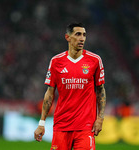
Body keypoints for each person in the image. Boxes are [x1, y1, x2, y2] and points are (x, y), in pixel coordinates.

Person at [34, 22, 106, 150]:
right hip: (61, 126)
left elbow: (101, 90)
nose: (82, 38)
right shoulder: (56, 61)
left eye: (84, 35)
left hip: (85, 127)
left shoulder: (95, 60)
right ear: (67, 37)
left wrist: (100, 118)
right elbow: (49, 93)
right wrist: (41, 123)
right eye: (78, 34)